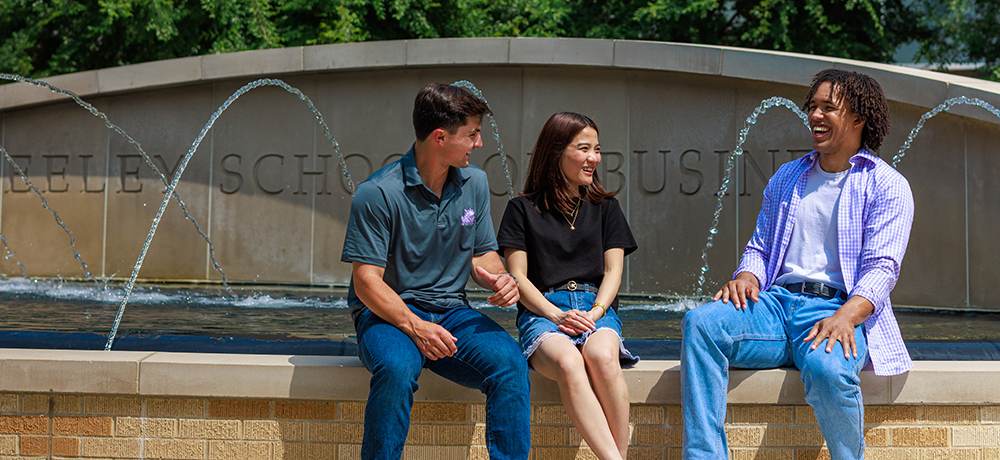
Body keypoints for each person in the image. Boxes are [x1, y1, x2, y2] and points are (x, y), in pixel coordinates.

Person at [681, 69, 914, 460]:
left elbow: (882, 269)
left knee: (828, 370)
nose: (815, 116)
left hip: (835, 310)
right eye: (813, 107)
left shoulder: (887, 185)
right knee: (701, 323)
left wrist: (845, 317)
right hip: (774, 307)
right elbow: (760, 247)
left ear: (858, 118)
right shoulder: (788, 176)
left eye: (828, 108)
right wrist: (746, 275)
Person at [341, 83, 530, 460]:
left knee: (510, 364)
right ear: (440, 137)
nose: (479, 144)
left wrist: (500, 277)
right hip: (387, 318)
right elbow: (366, 282)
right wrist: (414, 326)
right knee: (396, 367)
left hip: (452, 313)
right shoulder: (377, 192)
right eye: (472, 134)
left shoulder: (474, 182)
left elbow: (482, 254)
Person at [497, 112, 639, 460]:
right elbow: (518, 277)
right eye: (584, 149)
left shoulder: (606, 208)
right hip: (543, 311)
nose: (595, 158)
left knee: (602, 356)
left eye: (597, 149)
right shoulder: (521, 209)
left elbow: (613, 271)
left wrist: (596, 312)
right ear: (556, 151)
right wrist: (556, 314)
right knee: (568, 362)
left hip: (596, 306)